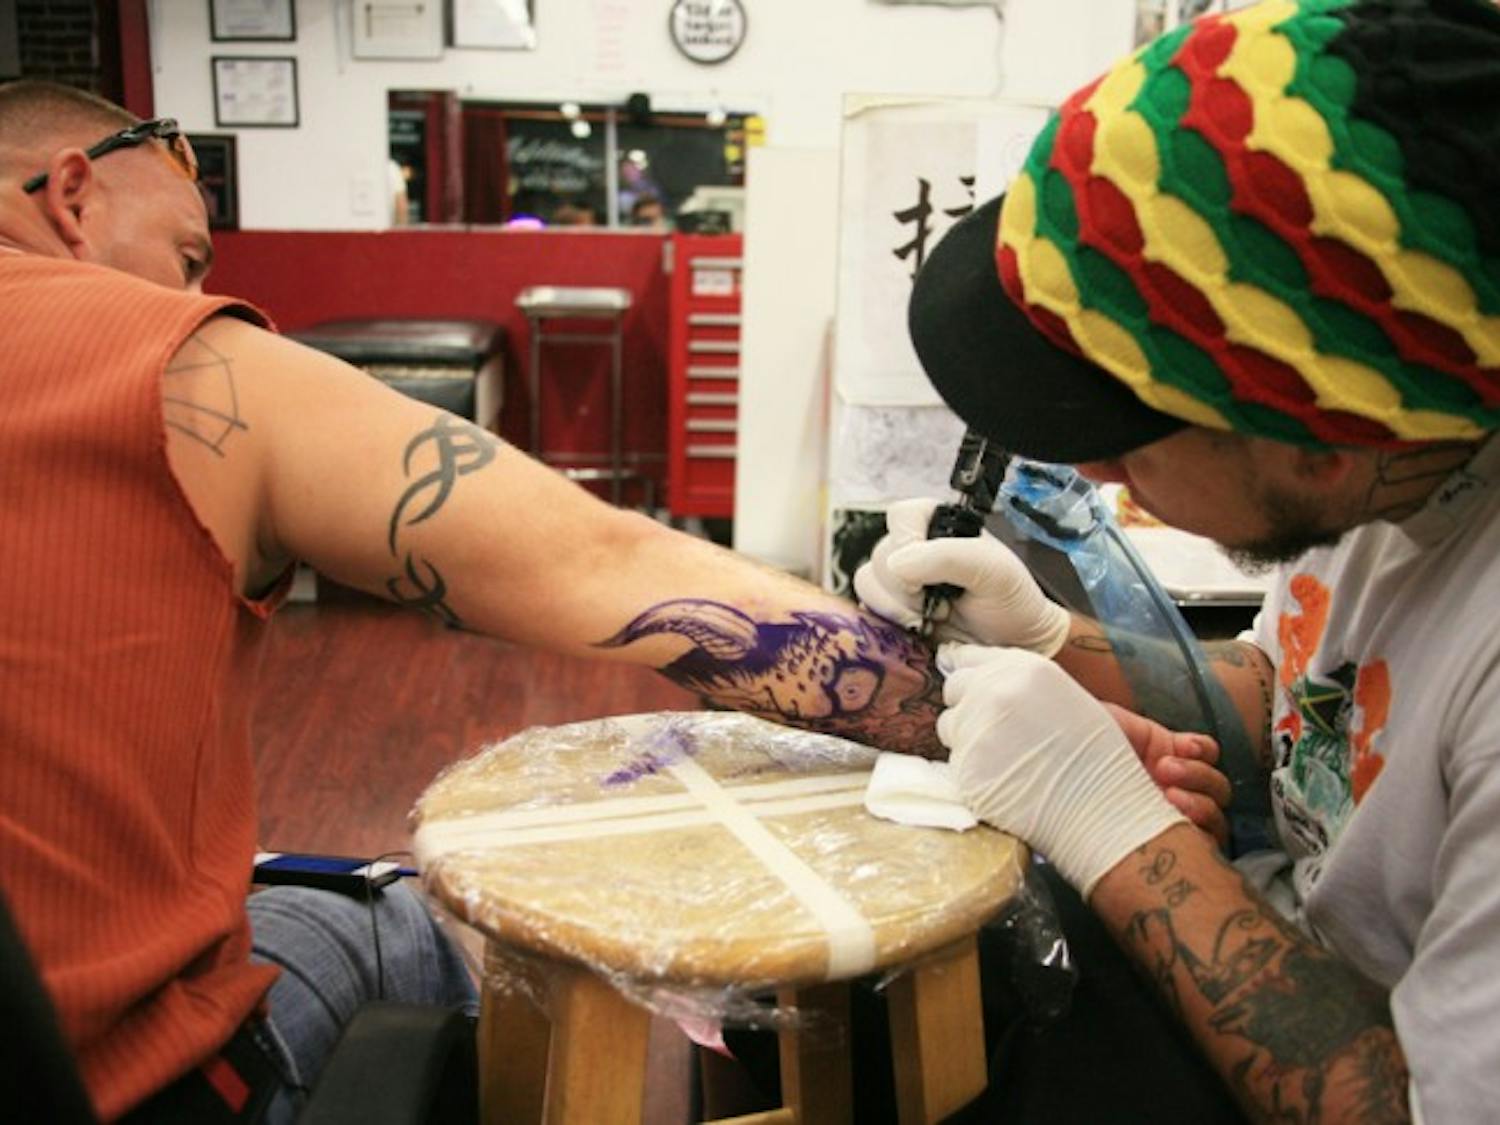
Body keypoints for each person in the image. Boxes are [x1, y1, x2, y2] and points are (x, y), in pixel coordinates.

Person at [0, 81, 1222, 1122]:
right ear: (70, 193)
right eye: (187, 258)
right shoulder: (162, 360)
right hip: (129, 1078)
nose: (198, 286)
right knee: (417, 922)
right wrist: (1026, 723)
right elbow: (609, 568)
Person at [855, 0, 1500, 1121]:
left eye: (1121, 434)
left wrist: (1118, 829)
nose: (1097, 474)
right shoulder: (1401, 463)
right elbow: (1304, 699)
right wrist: (1062, 645)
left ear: (1315, 442)